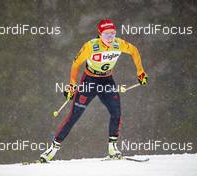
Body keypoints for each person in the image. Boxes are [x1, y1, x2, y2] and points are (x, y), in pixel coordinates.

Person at [40, 19, 148, 162]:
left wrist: (140, 72)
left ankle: (112, 148)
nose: (110, 37)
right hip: (89, 81)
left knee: (116, 112)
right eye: (106, 34)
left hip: (107, 81)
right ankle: (52, 149)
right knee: (74, 115)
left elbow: (134, 51)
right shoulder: (90, 46)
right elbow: (76, 64)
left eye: (113, 33)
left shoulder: (118, 43)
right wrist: (72, 86)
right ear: (100, 34)